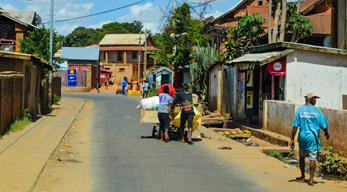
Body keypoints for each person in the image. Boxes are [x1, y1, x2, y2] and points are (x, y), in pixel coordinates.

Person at [290, 91, 329, 186]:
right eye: (314, 98)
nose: (315, 100)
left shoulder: (299, 110)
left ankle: (303, 176)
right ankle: (311, 180)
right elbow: (323, 125)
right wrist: (326, 132)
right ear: (311, 99)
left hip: (302, 137)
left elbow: (295, 126)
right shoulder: (317, 111)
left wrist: (292, 139)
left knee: (302, 157)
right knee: (313, 158)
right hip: (312, 137)